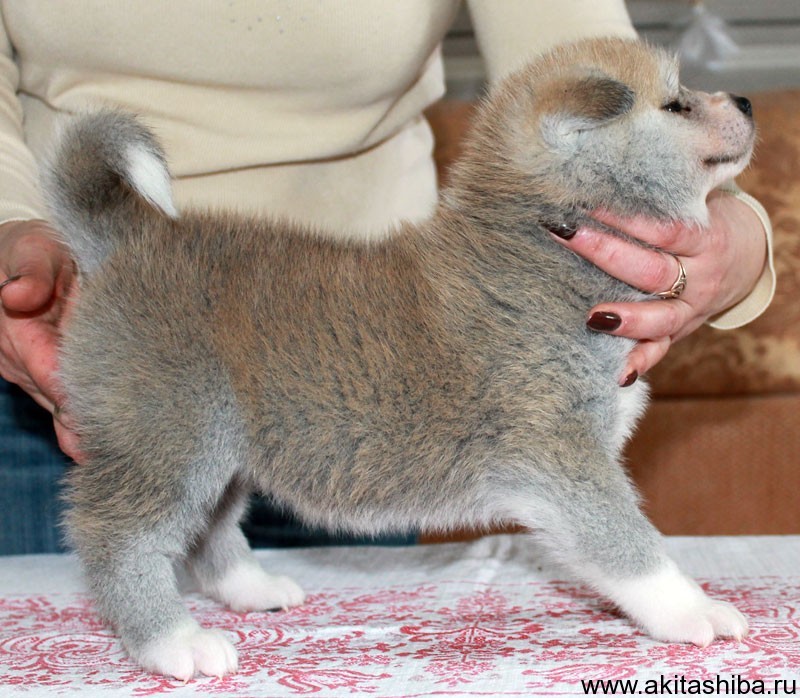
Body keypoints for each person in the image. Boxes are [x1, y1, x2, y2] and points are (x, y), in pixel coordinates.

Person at [0, 1, 774, 554]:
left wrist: (730, 233)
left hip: (377, 366)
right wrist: (9, 226)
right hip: (89, 314)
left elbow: (593, 73)